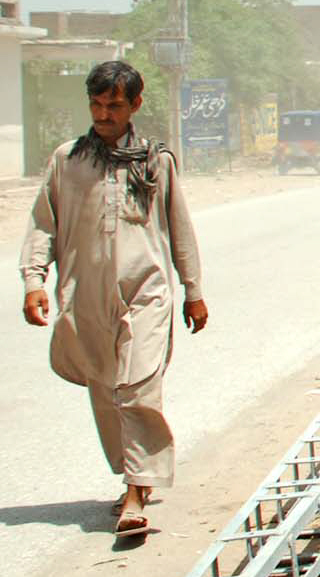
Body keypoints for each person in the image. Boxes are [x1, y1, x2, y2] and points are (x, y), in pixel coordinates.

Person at [19, 60, 208, 538]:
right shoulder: (67, 160)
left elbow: (180, 229)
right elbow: (44, 223)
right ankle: (134, 479)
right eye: (97, 104)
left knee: (138, 385)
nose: (104, 114)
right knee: (106, 390)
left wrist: (194, 290)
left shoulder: (154, 162)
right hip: (84, 294)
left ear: (135, 105)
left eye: (114, 105)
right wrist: (34, 280)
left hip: (146, 291)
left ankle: (135, 490)